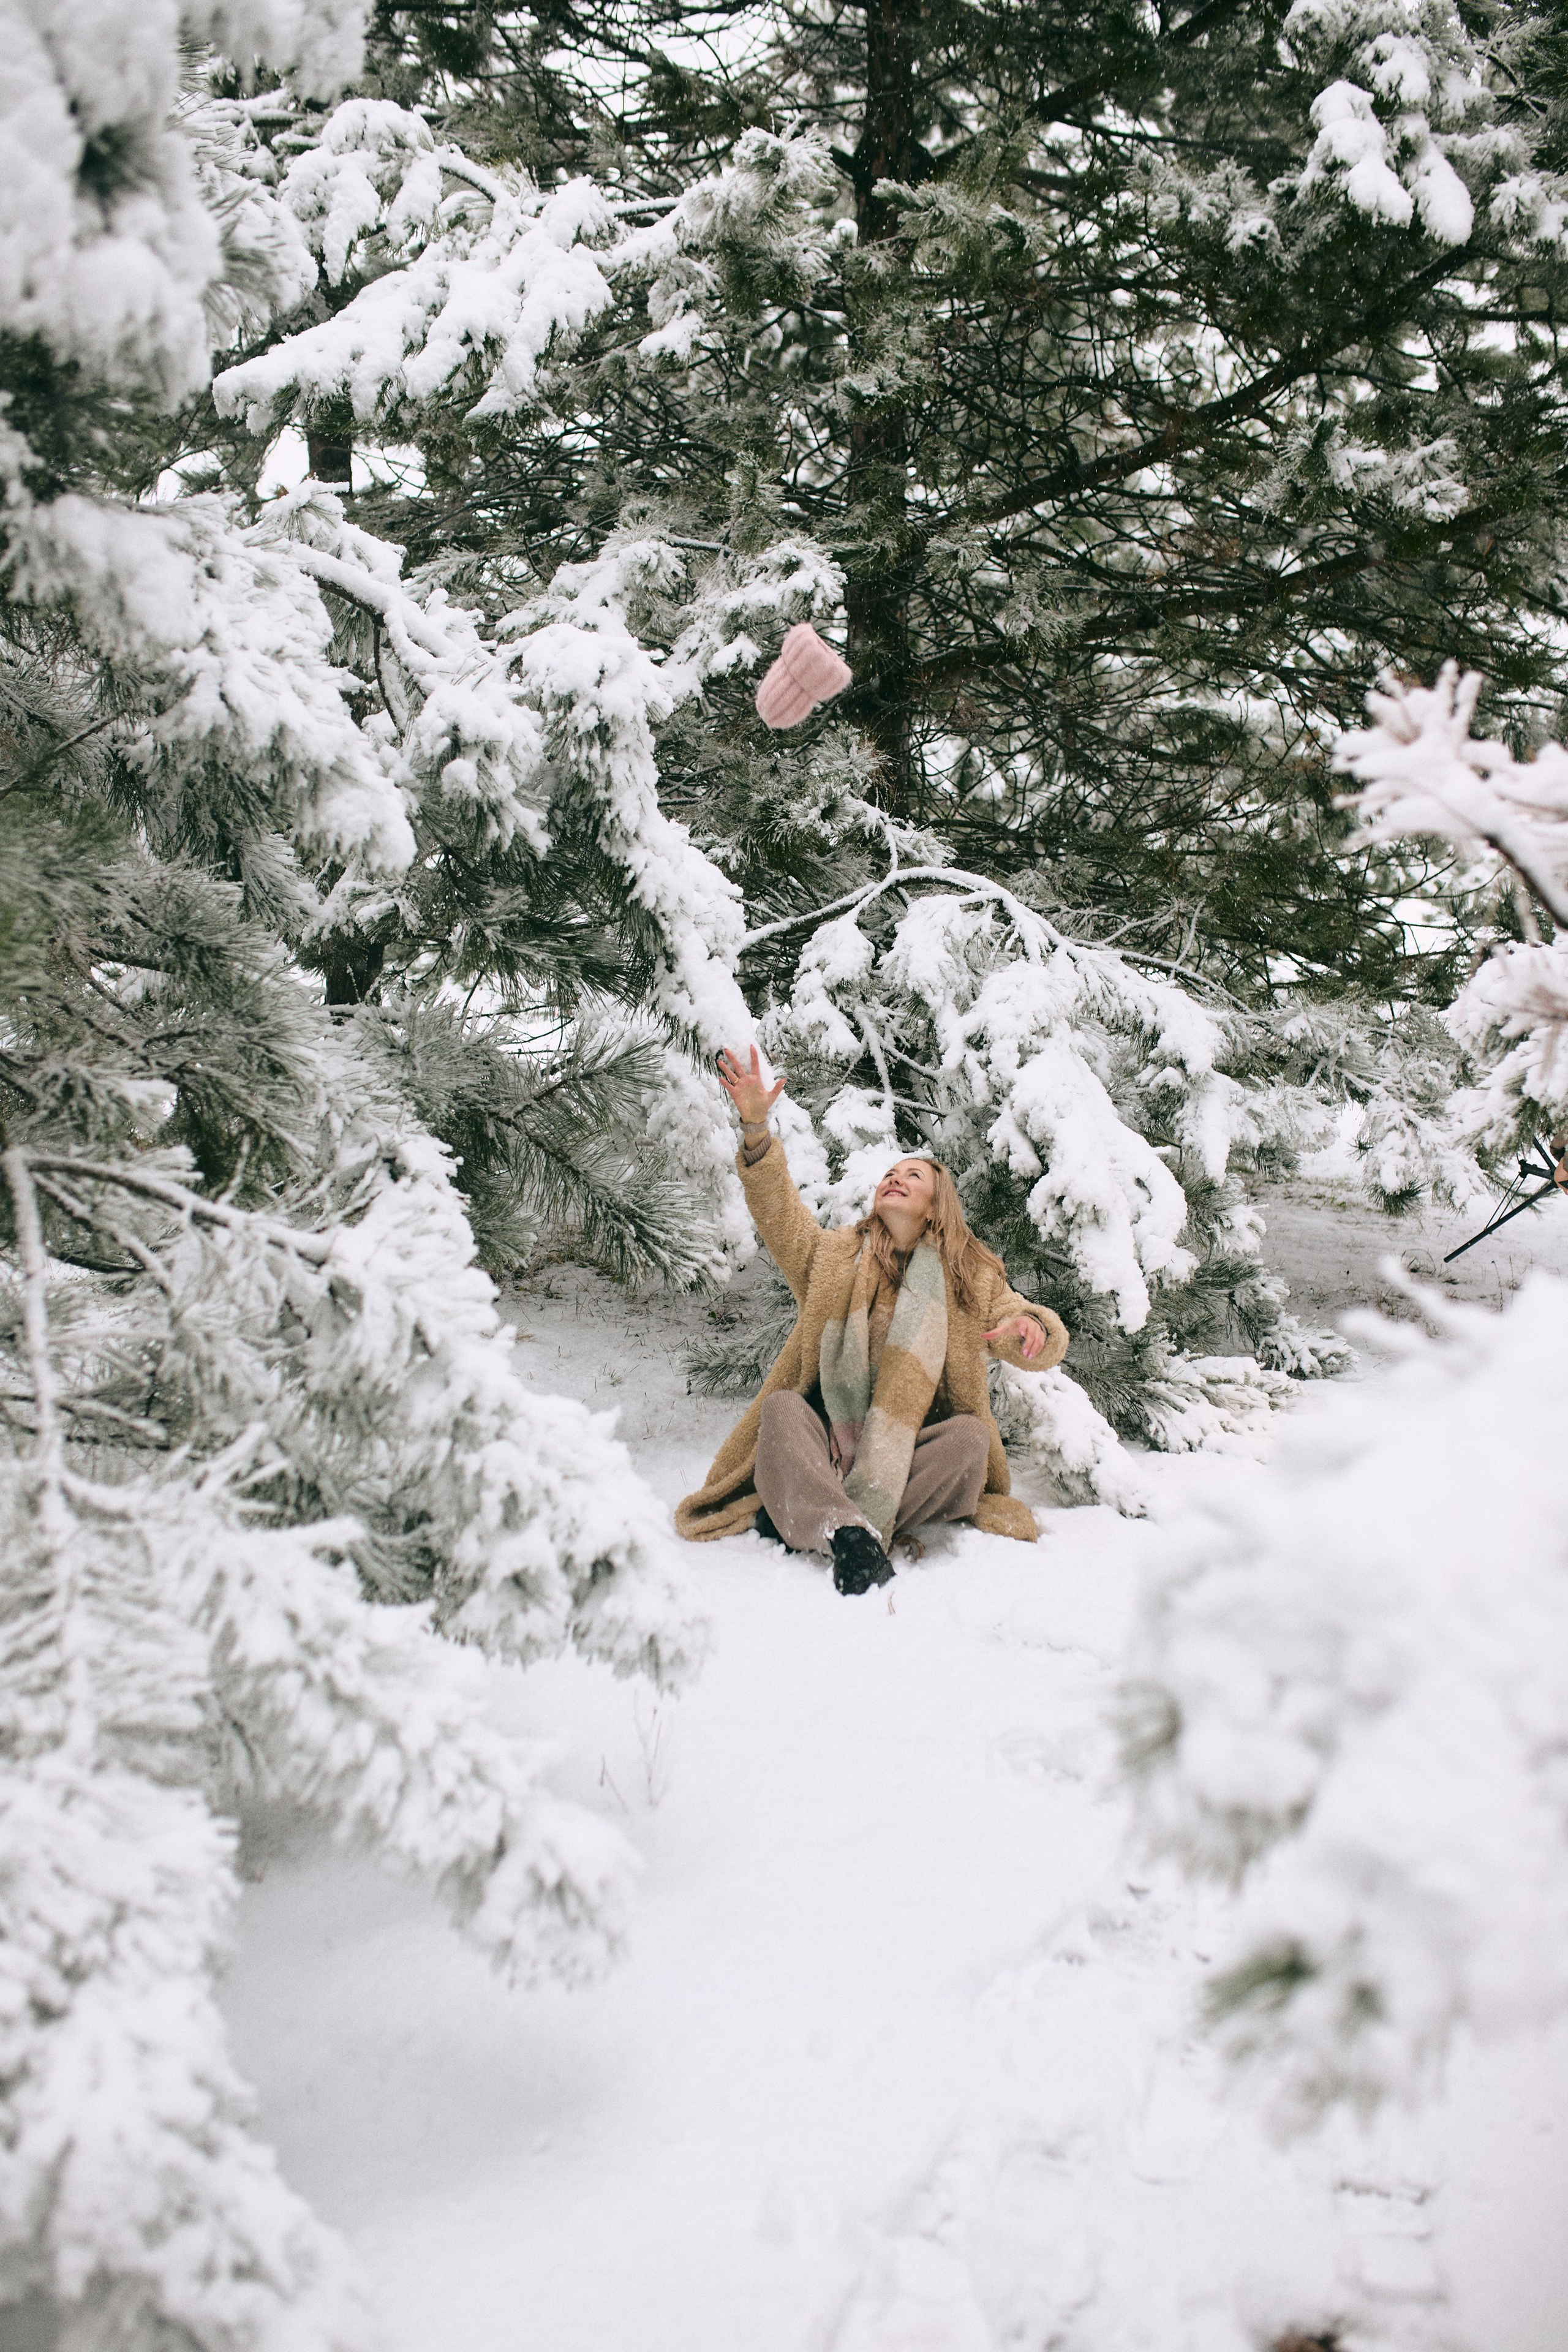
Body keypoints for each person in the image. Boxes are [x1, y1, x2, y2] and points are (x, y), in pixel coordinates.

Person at [675, 1047, 1069, 1595]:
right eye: (890, 1173)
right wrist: (756, 1127)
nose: (896, 1178)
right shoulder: (834, 1258)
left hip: (906, 1454)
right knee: (784, 1410)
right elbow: (779, 1213)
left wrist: (1033, 1330)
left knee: (970, 1440)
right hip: (828, 1443)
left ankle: (815, 1517)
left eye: (913, 1175)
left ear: (936, 1206)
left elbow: (1024, 1320)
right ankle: (843, 1525)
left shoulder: (968, 1277)